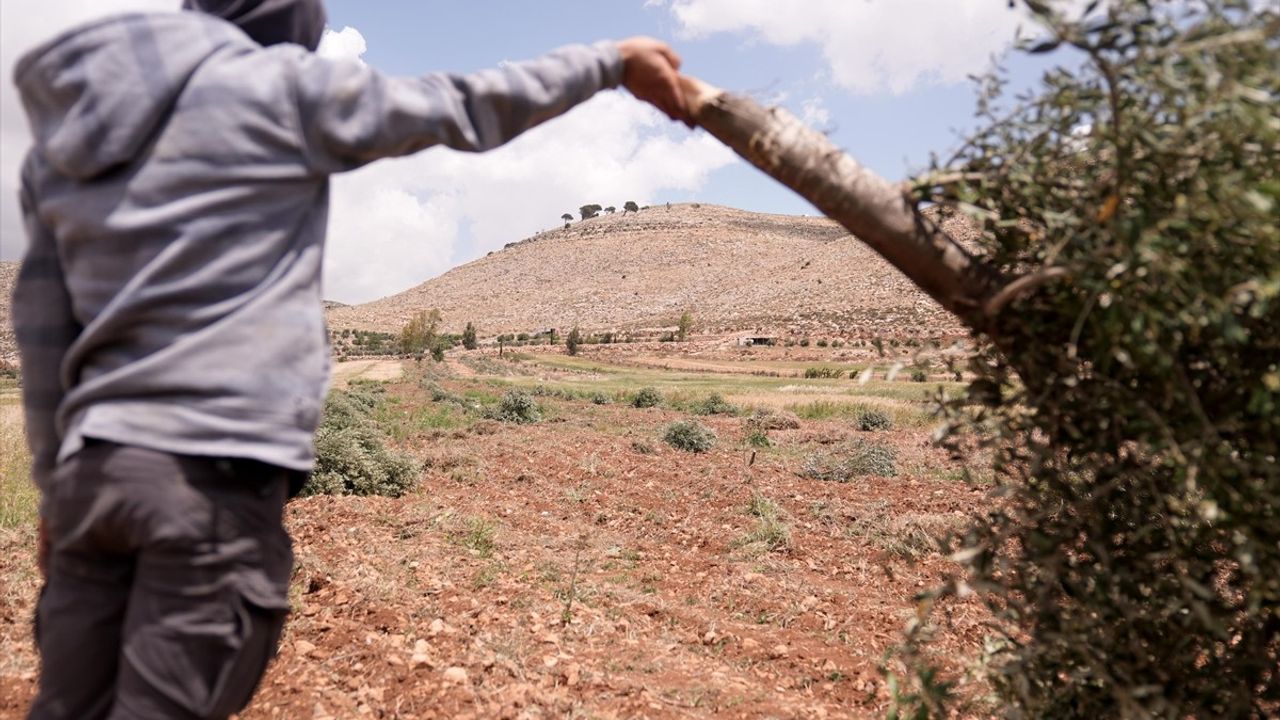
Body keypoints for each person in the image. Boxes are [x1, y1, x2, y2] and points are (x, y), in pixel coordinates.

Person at [11, 1, 690, 717]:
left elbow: (43, 324)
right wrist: (609, 63)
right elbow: (459, 105)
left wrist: (57, 490)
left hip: (93, 481)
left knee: (66, 705)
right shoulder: (274, 85)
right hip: (206, 478)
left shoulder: (66, 134)